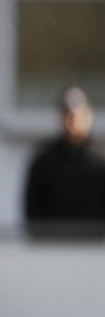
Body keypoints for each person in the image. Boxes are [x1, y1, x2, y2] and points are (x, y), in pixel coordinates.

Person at [24, 87, 105, 237]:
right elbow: (34, 217)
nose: (73, 120)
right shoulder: (43, 164)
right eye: (68, 114)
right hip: (53, 247)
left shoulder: (99, 164)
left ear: (89, 116)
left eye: (78, 115)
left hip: (92, 248)